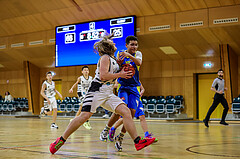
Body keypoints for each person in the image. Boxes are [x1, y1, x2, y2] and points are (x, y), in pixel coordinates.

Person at [49, 34, 155, 154]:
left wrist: (122, 67)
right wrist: (120, 74)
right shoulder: (105, 58)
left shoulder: (114, 59)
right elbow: (104, 76)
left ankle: (137, 142)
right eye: (112, 42)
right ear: (108, 46)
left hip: (108, 93)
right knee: (84, 117)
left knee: (126, 112)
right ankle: (61, 140)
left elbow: (117, 71)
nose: (115, 44)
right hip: (97, 90)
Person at [99, 35, 157, 151]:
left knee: (130, 115)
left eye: (136, 44)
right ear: (126, 45)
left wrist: (129, 55)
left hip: (134, 88)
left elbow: (139, 63)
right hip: (123, 86)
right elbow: (116, 68)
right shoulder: (120, 53)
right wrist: (119, 63)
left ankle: (120, 137)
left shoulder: (138, 54)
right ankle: (107, 129)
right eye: (132, 44)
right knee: (121, 109)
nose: (134, 46)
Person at [107, 81, 158, 150]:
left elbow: (142, 88)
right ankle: (113, 128)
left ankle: (147, 135)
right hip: (128, 97)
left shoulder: (136, 78)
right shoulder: (123, 77)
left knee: (142, 116)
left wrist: (141, 91)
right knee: (127, 118)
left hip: (137, 99)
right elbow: (116, 85)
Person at [69, 66, 93, 130]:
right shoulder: (80, 78)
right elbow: (76, 83)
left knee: (81, 108)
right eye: (85, 70)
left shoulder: (91, 78)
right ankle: (86, 121)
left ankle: (74, 120)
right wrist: (71, 88)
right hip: (81, 94)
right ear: (82, 72)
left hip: (88, 94)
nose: (86, 71)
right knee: (86, 107)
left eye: (87, 70)